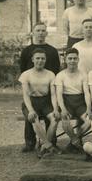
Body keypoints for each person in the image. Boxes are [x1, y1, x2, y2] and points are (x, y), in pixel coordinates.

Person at [19, 22, 60, 152]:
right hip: (32, 91)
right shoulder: (26, 51)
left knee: (51, 119)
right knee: (30, 117)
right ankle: (30, 143)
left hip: (47, 91)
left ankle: (50, 143)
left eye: (43, 30)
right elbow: (22, 69)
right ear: (33, 32)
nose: (41, 33)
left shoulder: (52, 51)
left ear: (46, 33)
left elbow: (57, 70)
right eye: (38, 30)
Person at [55, 48, 92, 151]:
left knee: (89, 121)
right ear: (65, 60)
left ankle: (73, 141)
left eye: (75, 58)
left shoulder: (83, 74)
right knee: (65, 121)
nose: (72, 61)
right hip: (67, 102)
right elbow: (59, 94)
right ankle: (75, 141)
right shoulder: (60, 75)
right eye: (70, 58)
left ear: (78, 59)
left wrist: (88, 108)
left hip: (80, 103)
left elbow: (86, 93)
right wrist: (62, 109)